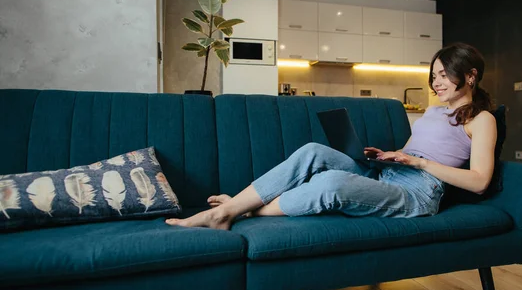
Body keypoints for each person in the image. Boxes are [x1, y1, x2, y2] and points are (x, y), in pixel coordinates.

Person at [166, 42, 497, 230]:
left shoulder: (482, 119)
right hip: (391, 174)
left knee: (332, 184)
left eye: (444, 74)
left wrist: (419, 163)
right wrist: (390, 155)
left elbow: (479, 181)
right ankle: (237, 205)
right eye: (434, 75)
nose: (436, 82)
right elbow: (415, 152)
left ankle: (232, 211)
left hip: (418, 194)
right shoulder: (432, 111)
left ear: (470, 75)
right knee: (313, 151)